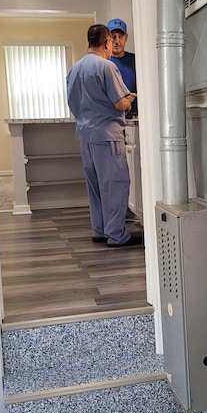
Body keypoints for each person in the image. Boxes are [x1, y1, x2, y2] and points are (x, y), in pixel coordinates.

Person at [66, 24, 143, 248]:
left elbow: (73, 103)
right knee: (115, 184)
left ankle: (100, 230)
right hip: (107, 135)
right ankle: (117, 235)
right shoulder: (106, 66)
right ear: (106, 42)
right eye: (112, 42)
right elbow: (120, 102)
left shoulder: (75, 68)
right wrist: (129, 99)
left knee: (96, 186)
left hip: (85, 136)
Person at [107, 18, 137, 118]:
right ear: (107, 38)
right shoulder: (104, 63)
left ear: (126, 38)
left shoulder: (135, 61)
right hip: (110, 119)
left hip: (133, 119)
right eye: (113, 37)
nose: (117, 41)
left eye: (120, 36)